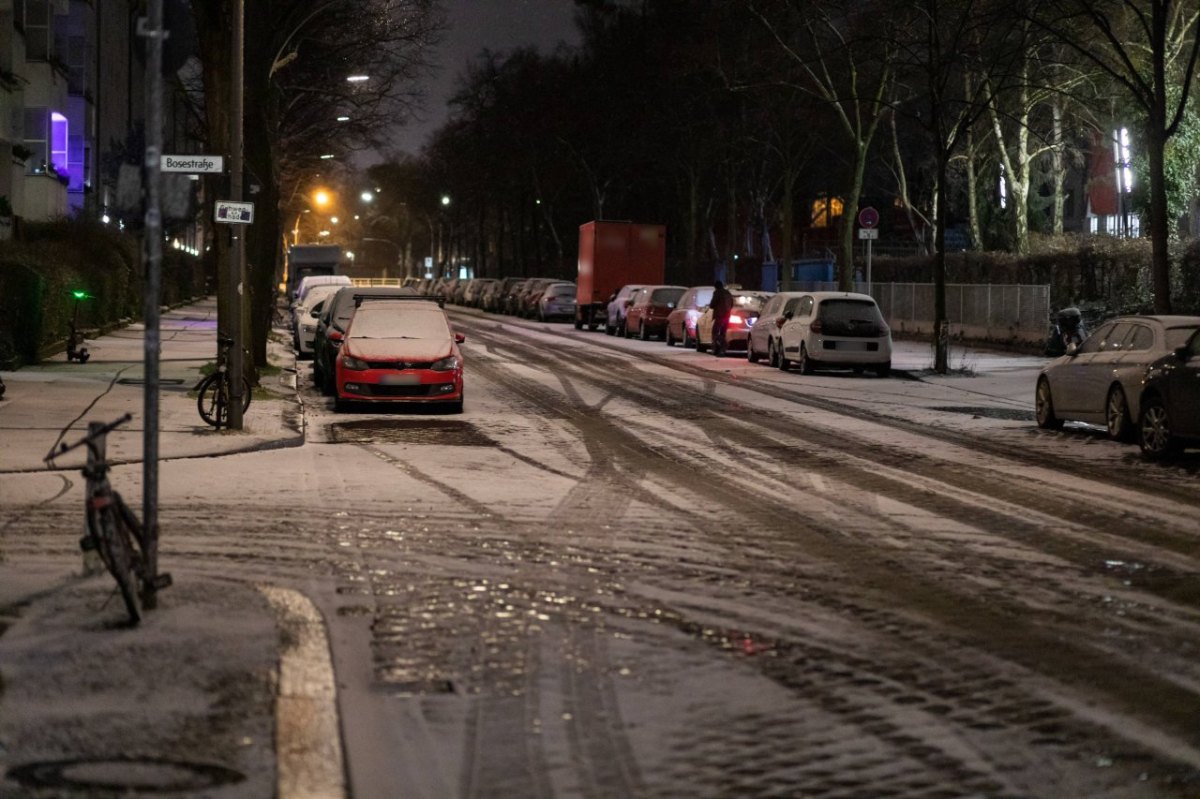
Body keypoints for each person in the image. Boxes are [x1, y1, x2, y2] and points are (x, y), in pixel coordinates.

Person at [709, 280, 734, 356]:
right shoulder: (728, 293)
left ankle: (723, 345)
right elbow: (732, 304)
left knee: (715, 333)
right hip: (727, 315)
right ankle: (721, 351)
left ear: (716, 287)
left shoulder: (717, 293)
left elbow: (712, 304)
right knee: (723, 333)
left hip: (719, 316)